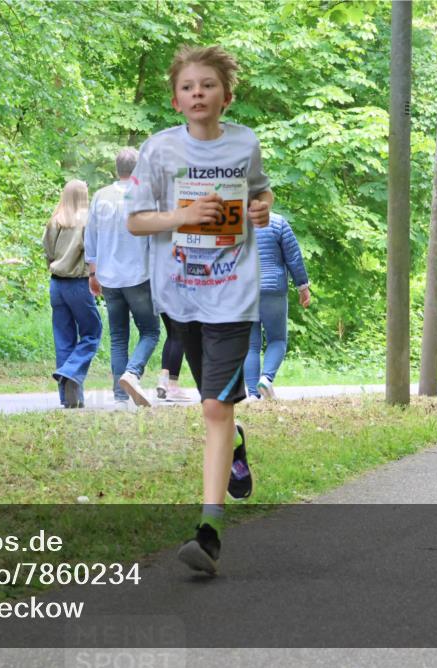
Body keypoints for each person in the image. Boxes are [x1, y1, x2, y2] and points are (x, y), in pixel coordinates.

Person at [127, 45, 274, 574]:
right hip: (179, 296)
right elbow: (137, 221)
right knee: (219, 409)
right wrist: (182, 215)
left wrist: (261, 208)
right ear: (175, 100)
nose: (197, 94)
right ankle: (234, 445)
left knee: (212, 407)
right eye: (188, 87)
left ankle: (208, 533)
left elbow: (261, 194)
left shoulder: (245, 143)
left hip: (234, 296)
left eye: (207, 85)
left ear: (225, 96)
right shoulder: (159, 151)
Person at [86, 148, 160, 408]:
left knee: (118, 336)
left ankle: (120, 398)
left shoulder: (100, 196)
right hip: (139, 275)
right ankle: (133, 373)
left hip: (109, 277)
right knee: (151, 331)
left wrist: (92, 272)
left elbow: (91, 236)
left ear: (117, 168)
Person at [43, 180, 102, 408]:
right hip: (78, 284)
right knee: (92, 332)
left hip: (56, 285)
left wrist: (56, 263)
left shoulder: (54, 221)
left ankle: (69, 398)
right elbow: (92, 253)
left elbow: (47, 251)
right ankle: (69, 372)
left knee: (63, 339)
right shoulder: (88, 222)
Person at [243, 213, 311, 401]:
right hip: (272, 289)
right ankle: (266, 378)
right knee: (277, 340)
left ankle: (253, 395)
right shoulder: (278, 222)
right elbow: (294, 258)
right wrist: (303, 287)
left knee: (250, 345)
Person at [156, 314, 194, 402]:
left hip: (163, 301)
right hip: (178, 302)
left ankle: (163, 380)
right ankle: (172, 387)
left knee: (171, 335)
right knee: (179, 336)